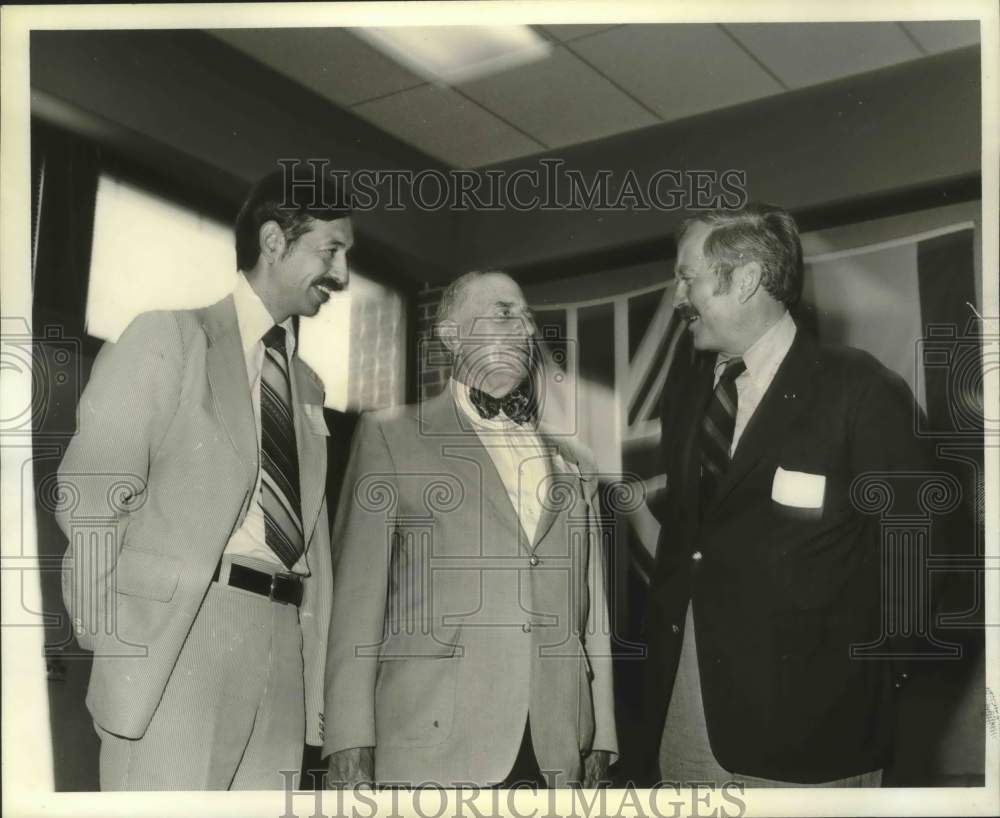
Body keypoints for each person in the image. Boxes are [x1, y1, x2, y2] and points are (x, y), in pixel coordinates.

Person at [56, 168, 353, 790]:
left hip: (283, 642)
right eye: (331, 251)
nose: (343, 276)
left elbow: (312, 538)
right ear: (275, 240)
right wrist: (113, 639)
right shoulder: (169, 339)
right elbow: (90, 497)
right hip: (183, 633)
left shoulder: (310, 388)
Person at [634, 203, 927, 787]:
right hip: (687, 727)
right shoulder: (689, 394)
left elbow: (923, 560)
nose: (676, 299)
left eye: (687, 278)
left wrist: (862, 691)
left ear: (744, 280)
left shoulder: (862, 391)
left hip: (816, 745)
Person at [323, 270, 617, 788]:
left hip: (554, 746)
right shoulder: (390, 436)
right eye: (505, 312)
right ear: (451, 335)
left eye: (527, 318)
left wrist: (602, 734)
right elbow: (355, 605)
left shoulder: (575, 460)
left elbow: (591, 607)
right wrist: (348, 737)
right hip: (433, 743)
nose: (524, 328)